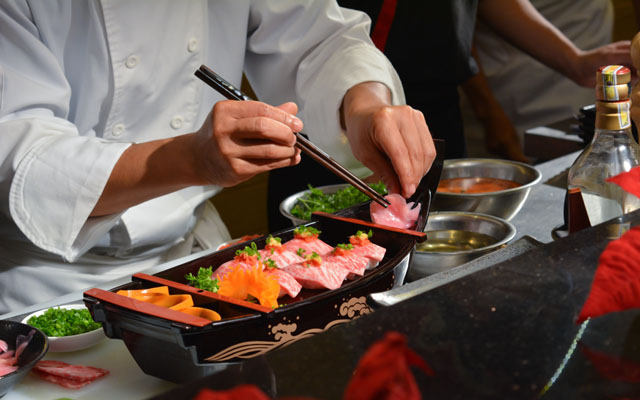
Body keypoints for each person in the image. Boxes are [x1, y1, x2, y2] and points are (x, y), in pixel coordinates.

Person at [0, 1, 435, 313]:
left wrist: (364, 105)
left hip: (192, 258)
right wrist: (189, 160)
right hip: (47, 280)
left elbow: (317, 37)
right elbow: (19, 155)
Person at [267, 0, 632, 231]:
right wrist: (365, 105)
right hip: (323, 108)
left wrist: (574, 60)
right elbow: (312, 35)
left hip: (436, 92)